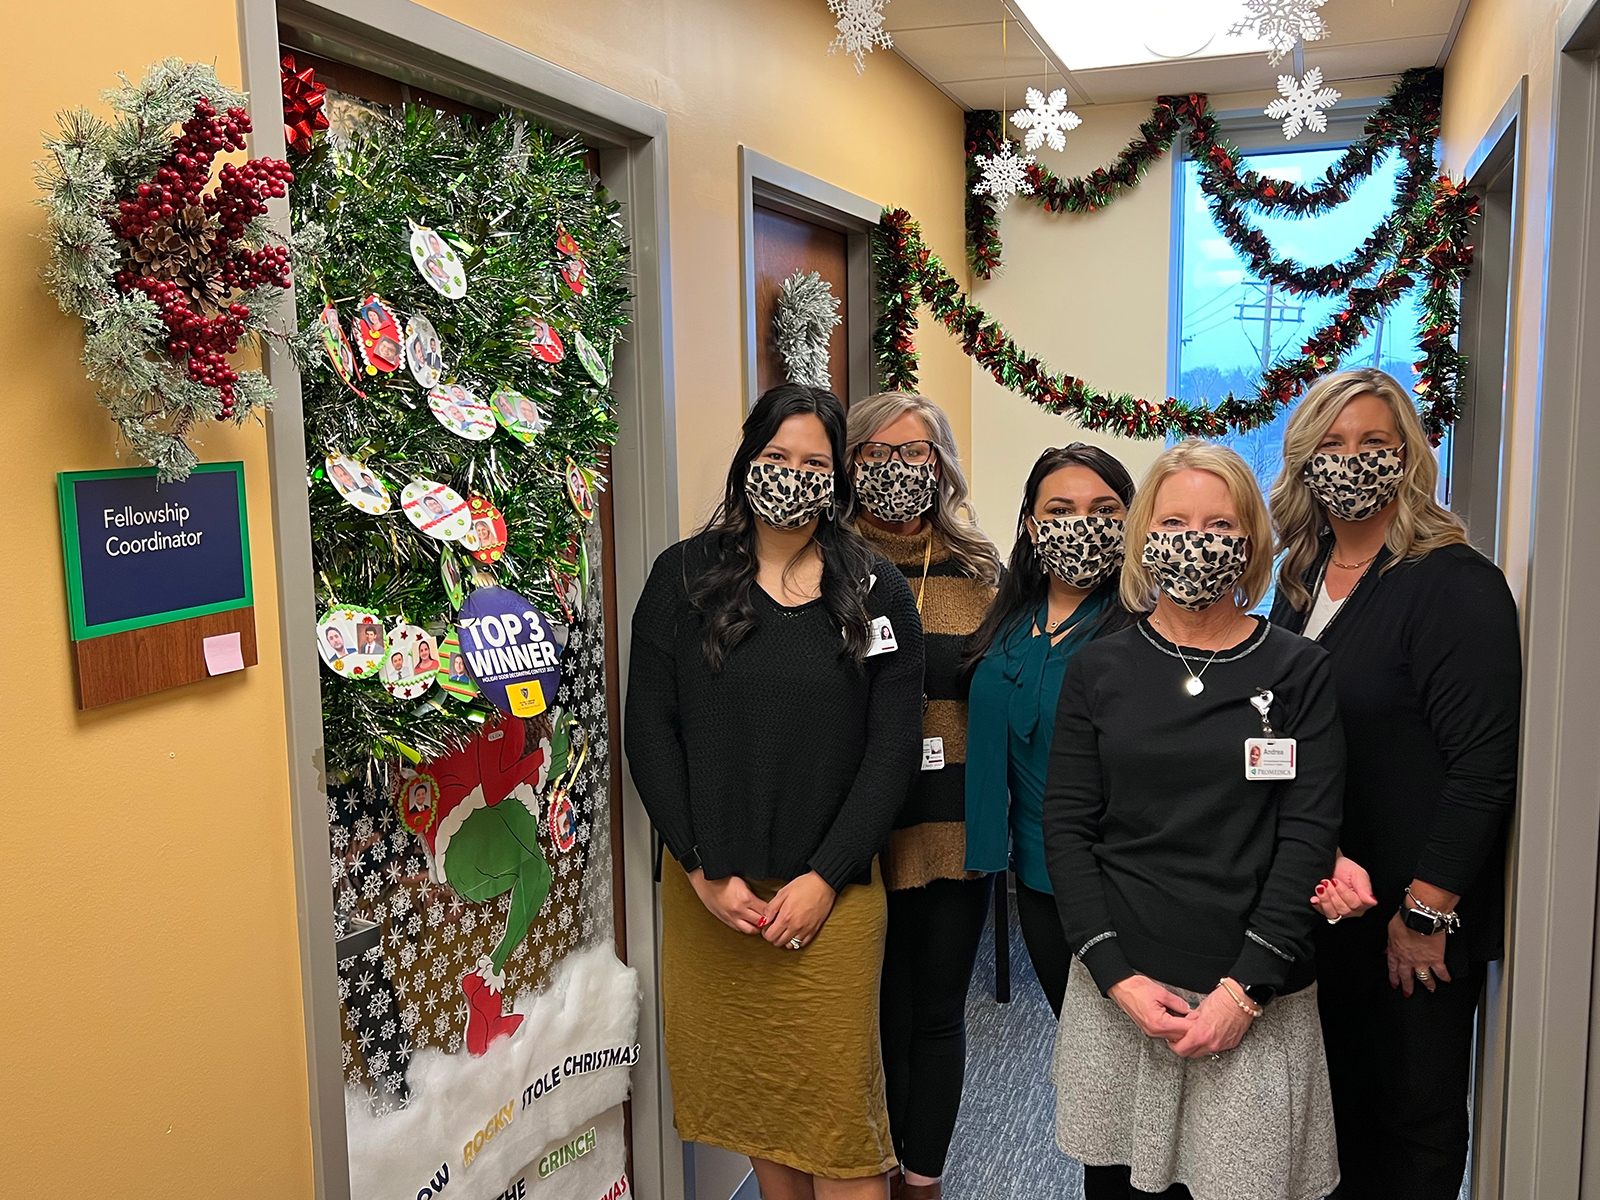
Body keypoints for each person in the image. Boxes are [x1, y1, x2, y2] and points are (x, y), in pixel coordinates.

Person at [626, 384, 925, 1199]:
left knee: (842, 1131)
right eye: (776, 458)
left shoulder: (877, 592)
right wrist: (697, 868)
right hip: (713, 894)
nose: (792, 476)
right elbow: (649, 730)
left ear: (840, 477)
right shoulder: (681, 576)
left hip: (831, 897)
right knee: (758, 1110)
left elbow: (891, 750)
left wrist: (826, 876)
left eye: (814, 463)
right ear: (747, 459)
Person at [1044, 440, 1344, 1200]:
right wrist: (1116, 979)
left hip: (1253, 998)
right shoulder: (1100, 668)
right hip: (1124, 992)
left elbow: (1307, 839)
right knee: (1118, 1189)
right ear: (1146, 534)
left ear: (1250, 543)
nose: (1196, 541)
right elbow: (1069, 831)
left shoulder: (1297, 670)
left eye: (1219, 525)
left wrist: (1243, 992)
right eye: (1175, 522)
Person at [1268, 368, 1521, 1199]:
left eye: (1374, 444)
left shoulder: (1454, 583)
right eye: (1332, 446)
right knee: (1330, 1119)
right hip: (1323, 904)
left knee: (1411, 1122)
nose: (1352, 462)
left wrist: (1425, 910)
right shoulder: (1299, 580)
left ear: (1409, 456)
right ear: (1305, 461)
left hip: (1413, 921)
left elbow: (1484, 767)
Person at [845, 391, 1003, 1200]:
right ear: (849, 463)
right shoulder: (821, 561)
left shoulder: (981, 571)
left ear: (939, 463)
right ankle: (867, 1173)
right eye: (875, 454)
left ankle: (923, 1178)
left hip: (949, 830)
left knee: (937, 1012)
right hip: (851, 836)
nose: (896, 471)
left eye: (914, 454)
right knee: (871, 1020)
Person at [965, 444, 1139, 1021]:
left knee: (1125, 1048)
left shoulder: (1145, 630)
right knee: (1077, 1037)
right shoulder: (1012, 614)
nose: (1081, 526)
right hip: (1034, 877)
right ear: (1032, 526)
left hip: (1117, 882)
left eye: (1104, 510)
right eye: (1060, 510)